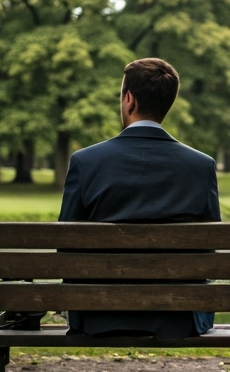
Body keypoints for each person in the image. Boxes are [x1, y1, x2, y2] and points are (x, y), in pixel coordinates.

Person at [59, 57, 221, 338]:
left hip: (98, 316)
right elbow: (209, 250)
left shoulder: (86, 162)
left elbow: (66, 247)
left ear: (129, 100)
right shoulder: (200, 165)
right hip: (179, 317)